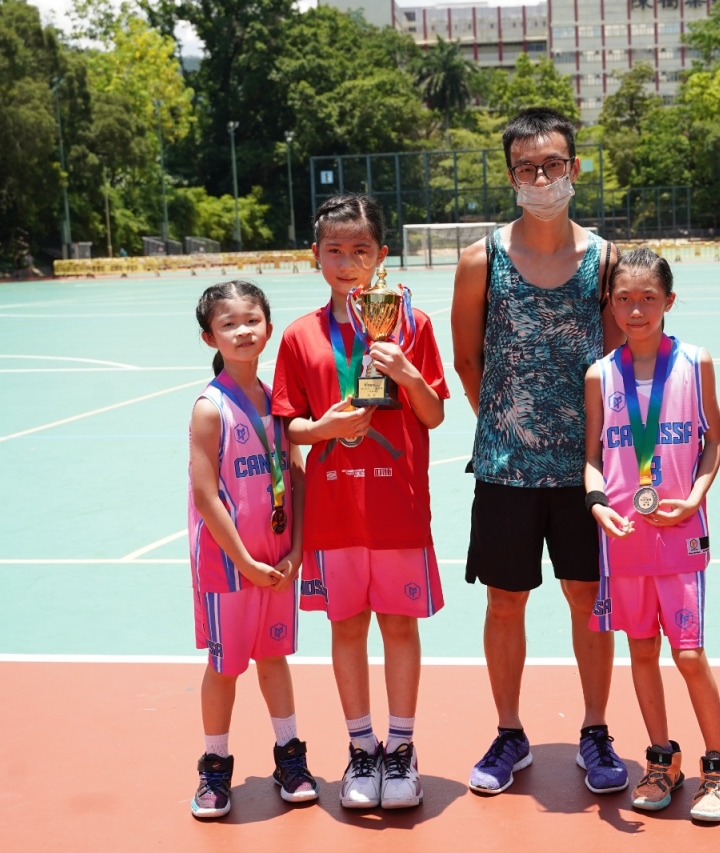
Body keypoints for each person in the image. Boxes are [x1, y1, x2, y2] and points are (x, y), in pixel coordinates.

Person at [451, 107, 628, 795]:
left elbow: (615, 364)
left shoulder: (606, 261)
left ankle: (595, 730)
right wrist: (506, 426)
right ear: (510, 176)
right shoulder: (481, 260)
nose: (542, 178)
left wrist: (595, 450)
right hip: (505, 468)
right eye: (527, 167)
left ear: (575, 168)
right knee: (505, 601)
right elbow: (467, 359)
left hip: (586, 472)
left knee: (588, 598)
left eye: (553, 164)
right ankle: (509, 732)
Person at [272, 194, 448, 810]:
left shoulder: (412, 326)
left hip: (397, 506)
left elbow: (433, 414)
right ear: (315, 255)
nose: (347, 263)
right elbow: (289, 428)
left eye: (360, 250)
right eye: (335, 250)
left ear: (382, 255)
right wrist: (325, 428)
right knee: (346, 627)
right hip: (334, 511)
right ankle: (360, 747)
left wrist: (406, 372)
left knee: (398, 625)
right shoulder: (299, 336)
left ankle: (401, 748)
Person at [582, 249, 720, 821]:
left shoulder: (696, 362)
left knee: (689, 654)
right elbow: (592, 458)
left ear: (669, 300)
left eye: (648, 298)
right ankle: (661, 761)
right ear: (610, 304)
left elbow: (714, 443)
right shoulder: (600, 374)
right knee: (641, 649)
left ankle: (718, 767)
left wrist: (695, 497)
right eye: (624, 299)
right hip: (624, 538)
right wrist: (597, 504)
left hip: (680, 535)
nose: (636, 310)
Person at [187, 280, 316, 819]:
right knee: (225, 667)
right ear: (209, 337)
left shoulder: (280, 403)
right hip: (230, 563)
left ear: (268, 327)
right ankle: (214, 766)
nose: (242, 331)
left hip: (278, 558)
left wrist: (297, 549)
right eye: (228, 324)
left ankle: (290, 756)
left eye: (252, 320)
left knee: (274, 657)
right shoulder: (210, 408)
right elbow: (205, 494)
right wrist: (243, 560)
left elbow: (297, 475)